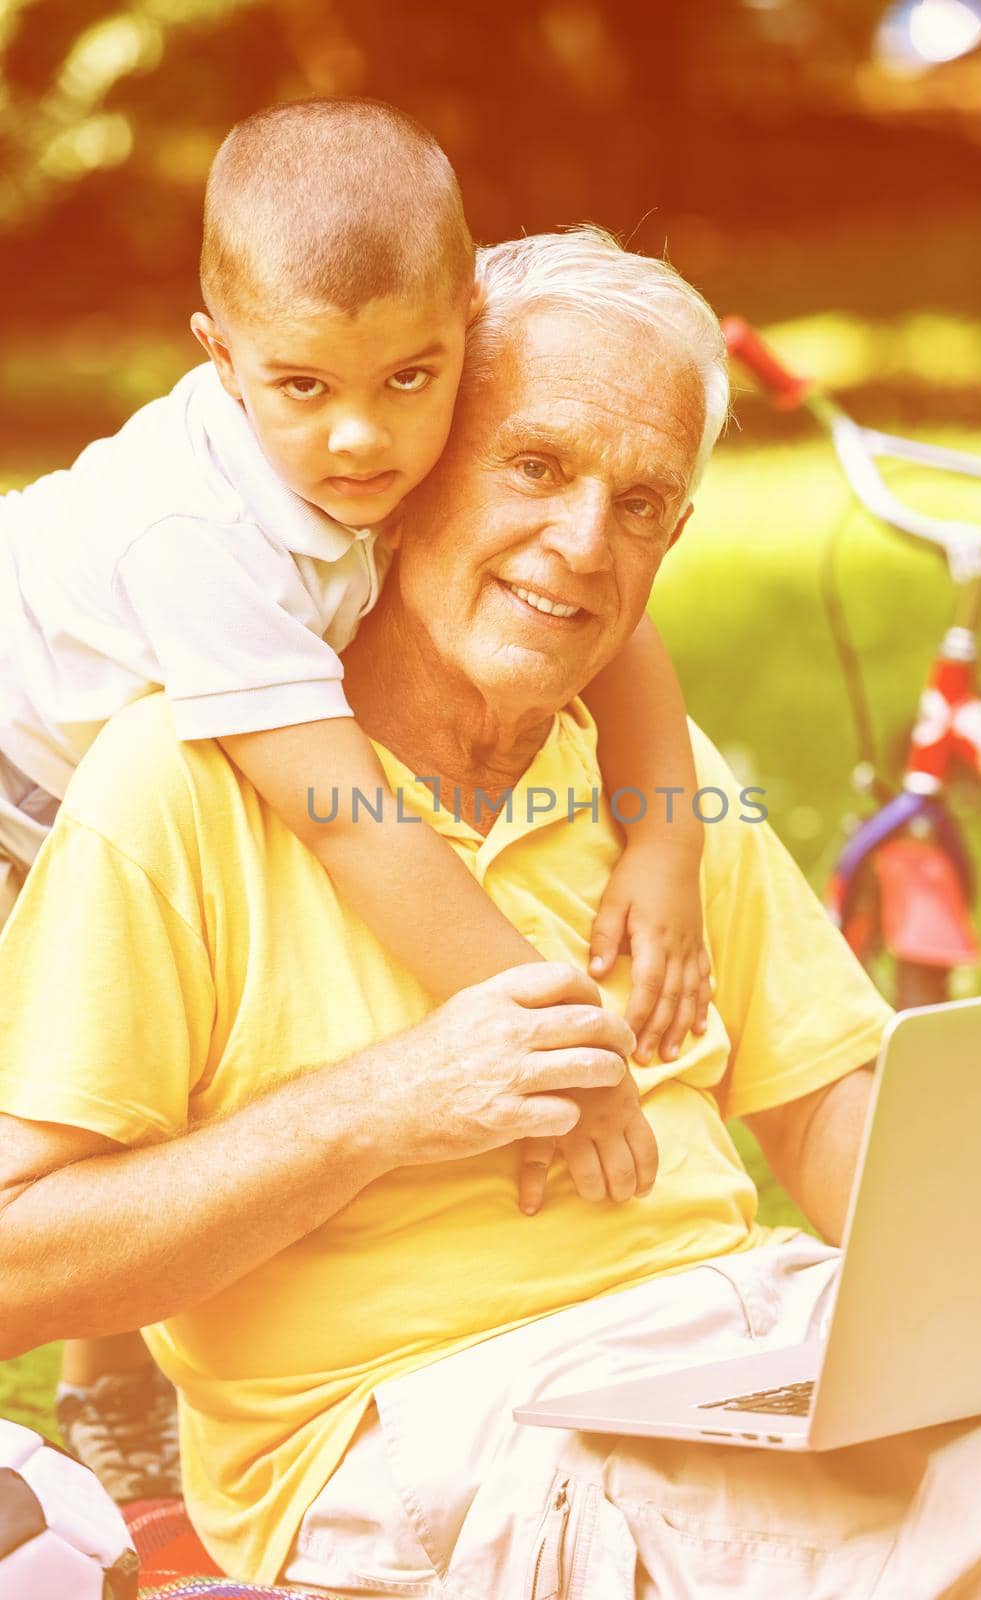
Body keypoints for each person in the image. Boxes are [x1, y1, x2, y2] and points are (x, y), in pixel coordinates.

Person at [1, 229, 981, 1597]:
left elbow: (824, 1106)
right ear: (417, 470)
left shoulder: (660, 797)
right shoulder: (182, 786)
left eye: (641, 505)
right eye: (535, 467)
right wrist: (381, 1106)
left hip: (746, 1347)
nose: (581, 544)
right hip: (443, 1428)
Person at [0, 100, 713, 1493]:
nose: (359, 440)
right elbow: (352, 819)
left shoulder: (407, 420)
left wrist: (669, 845)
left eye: (409, 376)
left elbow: (615, 620)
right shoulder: (201, 538)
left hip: (95, 757)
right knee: (60, 1103)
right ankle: (99, 1396)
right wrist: (568, 1061)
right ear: (219, 359)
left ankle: (116, 1385)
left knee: (185, 1023)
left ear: (466, 327)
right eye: (302, 389)